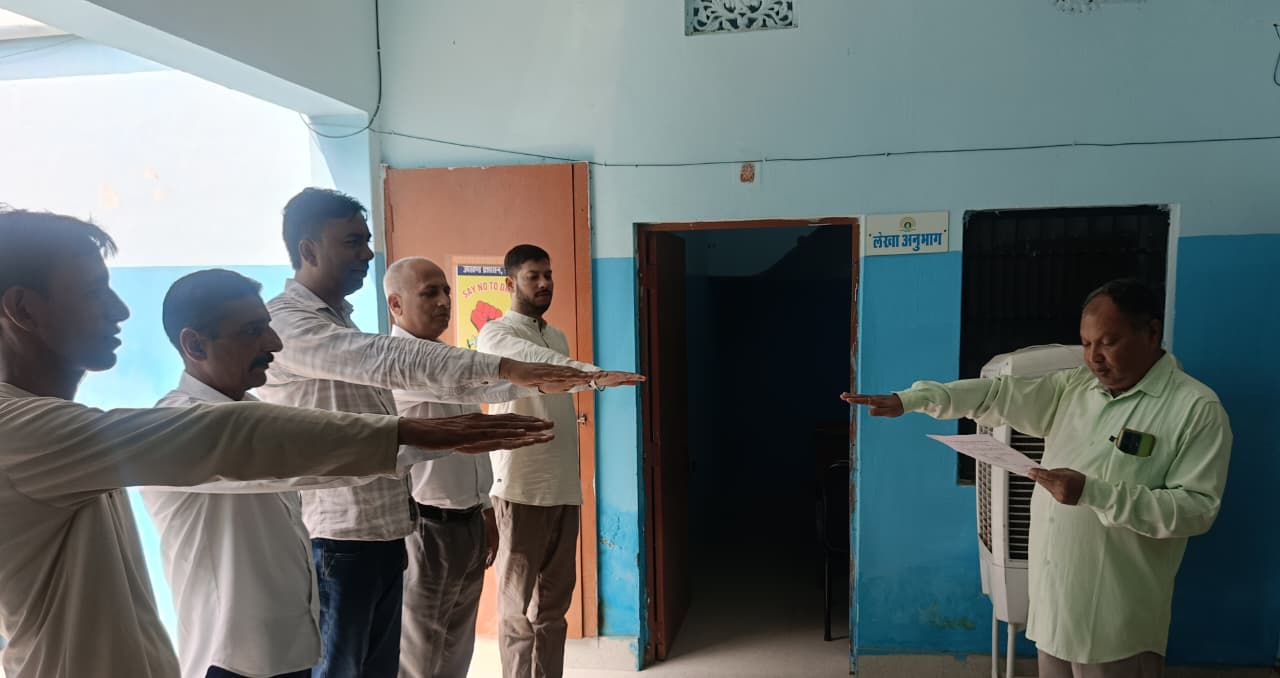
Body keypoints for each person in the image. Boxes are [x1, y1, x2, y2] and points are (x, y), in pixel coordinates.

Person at [0, 208, 555, 678]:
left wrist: (416, 442)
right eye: (93, 292)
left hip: (290, 640)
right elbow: (232, 439)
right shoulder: (23, 431)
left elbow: (281, 451)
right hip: (232, 659)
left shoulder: (71, 430)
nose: (120, 309)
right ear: (24, 309)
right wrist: (416, 433)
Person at [256, 190, 605, 678]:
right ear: (308, 249)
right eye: (353, 242)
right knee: (376, 662)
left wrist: (548, 381)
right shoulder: (290, 324)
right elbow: (385, 363)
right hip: (345, 536)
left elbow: (450, 391)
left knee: (433, 654)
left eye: (368, 240)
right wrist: (509, 374)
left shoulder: (348, 325)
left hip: (391, 526)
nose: (367, 253)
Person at [141, 269, 535, 678]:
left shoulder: (254, 408)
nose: (274, 343)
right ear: (194, 344)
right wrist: (428, 435)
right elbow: (314, 453)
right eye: (253, 331)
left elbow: (327, 464)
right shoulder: (180, 425)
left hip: (289, 644)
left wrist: (436, 445)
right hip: (230, 659)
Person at [845, 278, 1232, 678]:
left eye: (1108, 342)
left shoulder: (1195, 409)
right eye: (1086, 344)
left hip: (1116, 624)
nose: (1094, 358)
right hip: (1053, 611)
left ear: (1151, 332)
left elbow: (1196, 509)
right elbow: (996, 395)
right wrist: (913, 400)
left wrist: (1093, 493)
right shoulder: (1078, 387)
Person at [478, 244, 643, 678]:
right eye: (533, 276)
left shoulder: (558, 336)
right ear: (510, 284)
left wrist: (586, 375)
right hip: (520, 488)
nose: (544, 283)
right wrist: (593, 375)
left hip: (563, 487)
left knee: (553, 610)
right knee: (516, 612)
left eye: (548, 275)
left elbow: (555, 364)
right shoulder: (496, 335)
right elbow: (539, 363)